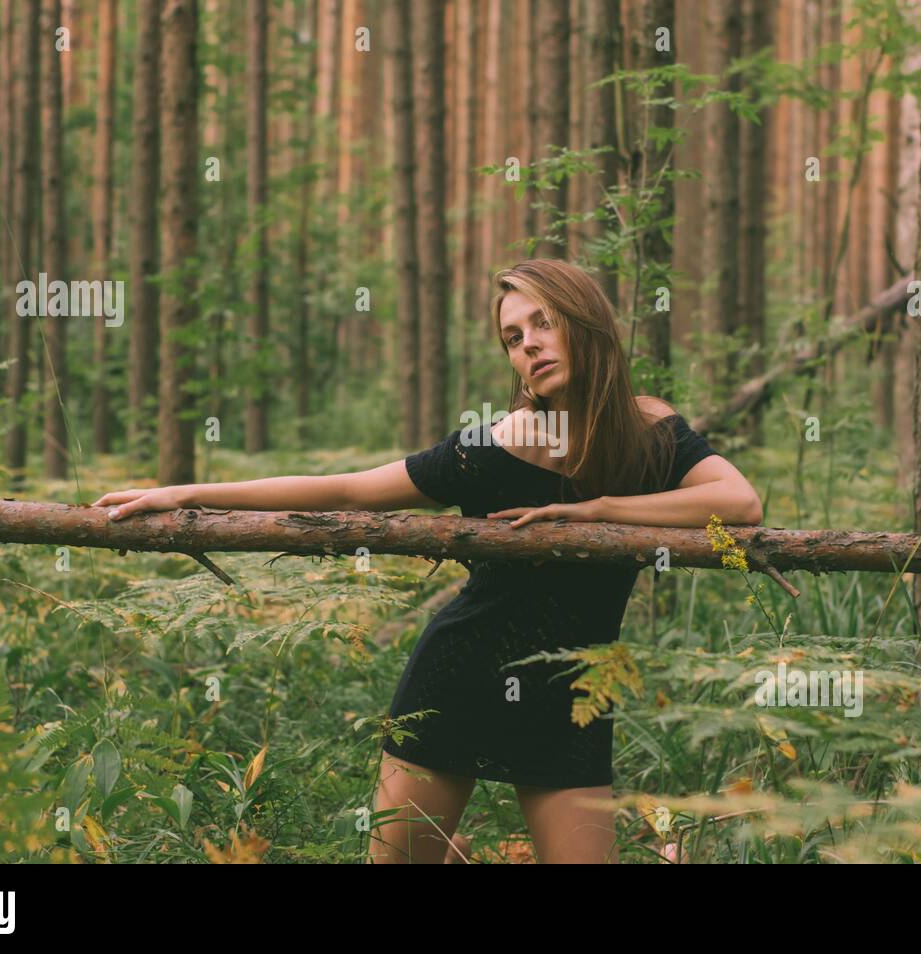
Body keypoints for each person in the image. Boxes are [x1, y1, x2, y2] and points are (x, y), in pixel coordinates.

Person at [93, 259, 763, 864]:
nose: (528, 343)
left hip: (573, 698)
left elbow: (739, 502)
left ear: (586, 323)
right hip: (459, 680)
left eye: (543, 322)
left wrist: (598, 511)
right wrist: (187, 493)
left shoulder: (650, 432)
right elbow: (352, 490)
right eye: (511, 337)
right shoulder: (497, 446)